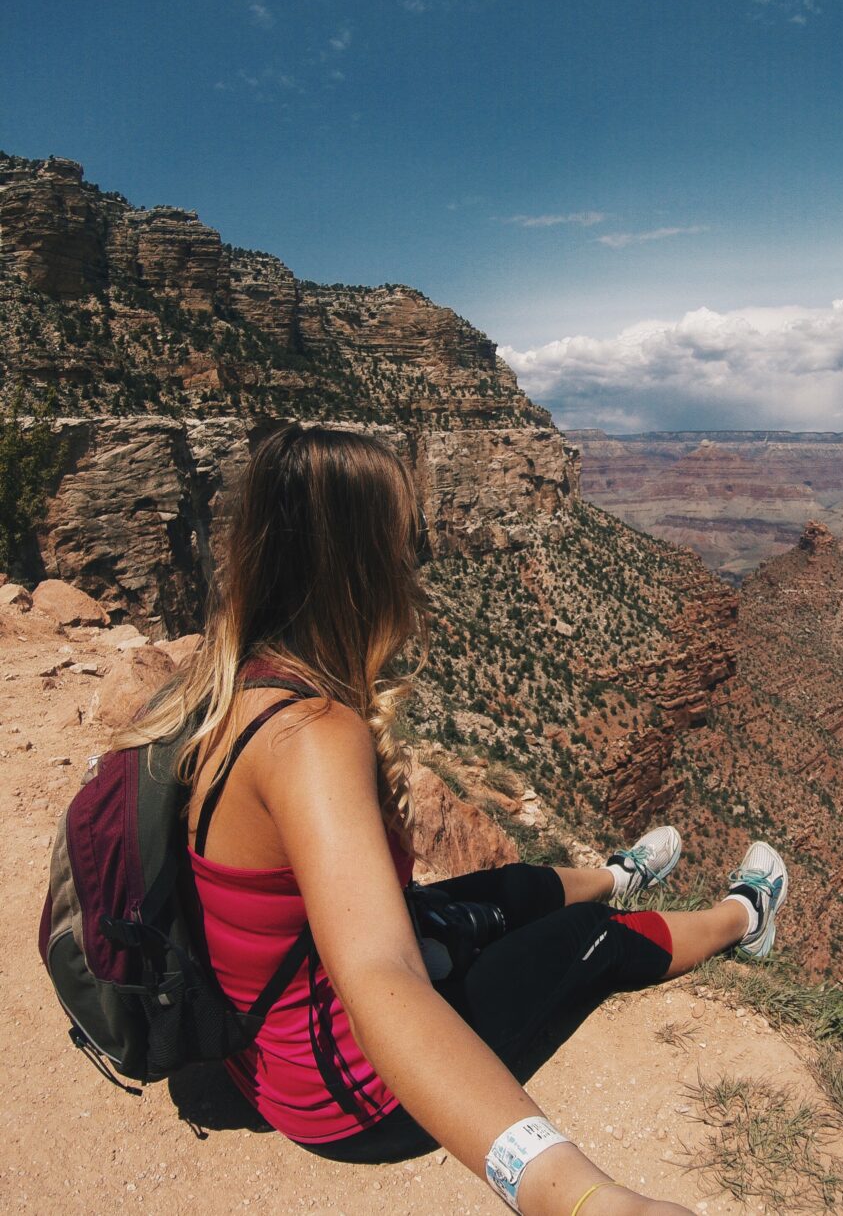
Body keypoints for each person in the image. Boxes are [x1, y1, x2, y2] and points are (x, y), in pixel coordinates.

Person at [112, 425, 788, 1216]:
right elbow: (377, 976)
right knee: (590, 942)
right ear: (364, 559)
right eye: (405, 534)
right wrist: (574, 1197)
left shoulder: (223, 681)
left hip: (266, 1029)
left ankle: (616, 872)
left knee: (504, 889)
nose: (418, 554)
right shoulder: (310, 739)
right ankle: (744, 916)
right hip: (339, 1095)